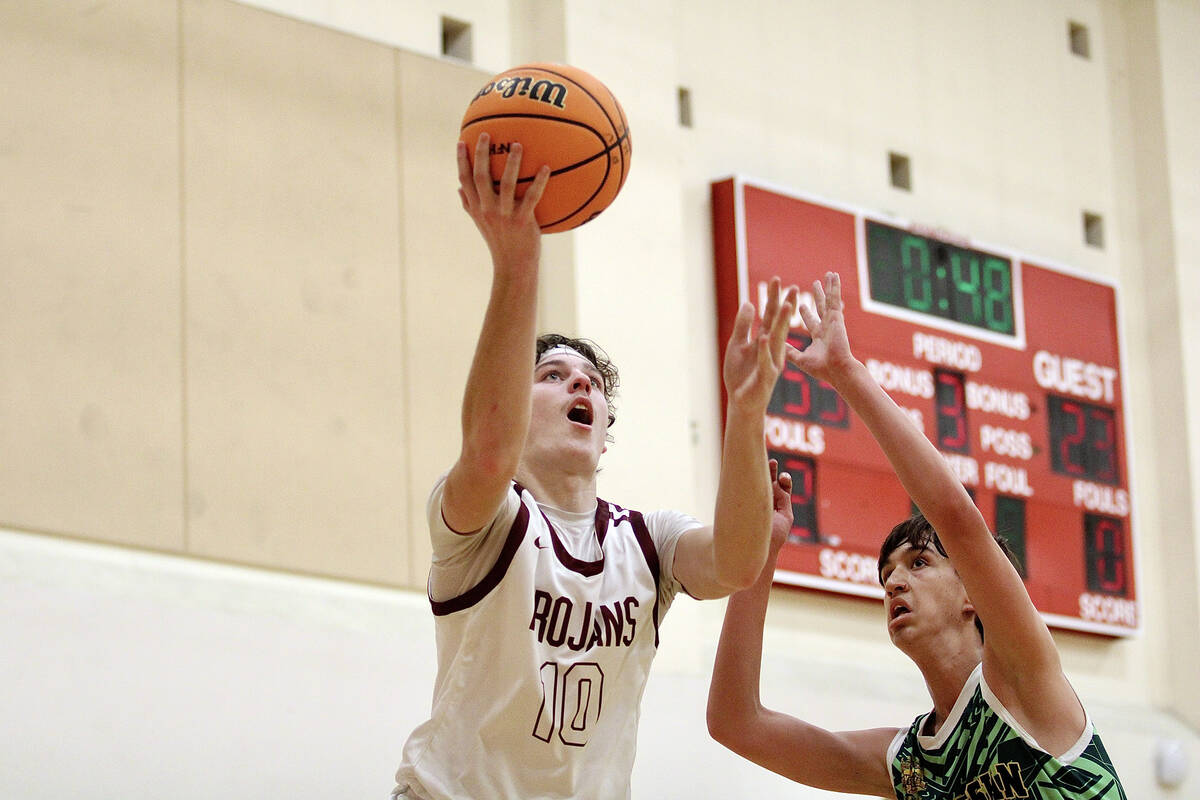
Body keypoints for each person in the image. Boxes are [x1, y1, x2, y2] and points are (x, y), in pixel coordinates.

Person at [391, 133, 798, 800]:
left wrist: (746, 410)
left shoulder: (646, 540)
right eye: (553, 376)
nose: (581, 388)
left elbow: (738, 563)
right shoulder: (485, 519)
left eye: (592, 383)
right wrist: (517, 267)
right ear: (518, 407)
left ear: (606, 433)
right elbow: (490, 449)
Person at [707, 272, 1127, 799]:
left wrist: (846, 373)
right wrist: (762, 556)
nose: (894, 584)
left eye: (919, 563)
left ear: (972, 594)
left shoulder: (1023, 678)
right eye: (887, 573)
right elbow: (735, 723)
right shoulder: (909, 765)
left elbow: (957, 517)